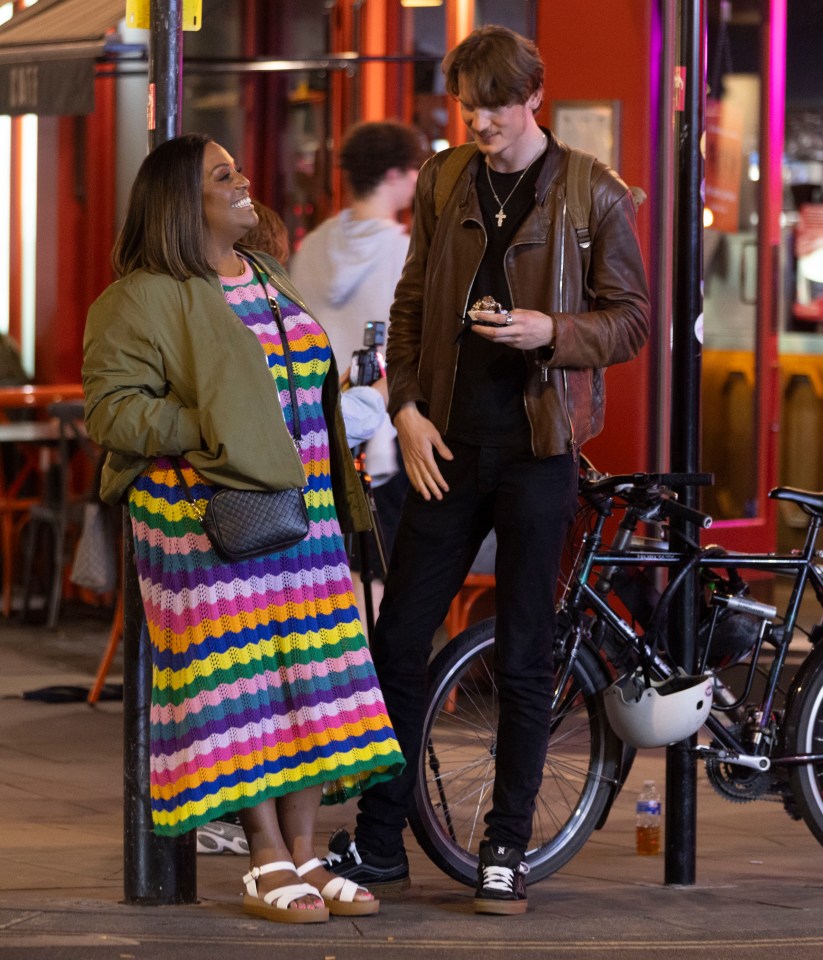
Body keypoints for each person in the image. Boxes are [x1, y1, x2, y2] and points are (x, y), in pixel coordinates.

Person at [323, 25, 650, 915]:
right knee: (395, 641)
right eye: (468, 107)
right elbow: (410, 299)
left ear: (532, 97)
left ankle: (504, 846)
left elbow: (633, 319)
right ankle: (380, 839)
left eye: (496, 106)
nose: (481, 122)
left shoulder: (592, 191)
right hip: (445, 449)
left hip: (539, 450)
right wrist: (405, 409)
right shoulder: (441, 180)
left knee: (523, 654)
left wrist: (555, 332)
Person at [82, 134, 405, 923]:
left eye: (237, 170)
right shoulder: (140, 296)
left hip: (305, 514)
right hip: (202, 520)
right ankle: (263, 859)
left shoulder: (265, 275)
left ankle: (305, 852)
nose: (244, 181)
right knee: (242, 688)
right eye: (222, 175)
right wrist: (209, 428)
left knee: (315, 686)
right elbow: (111, 411)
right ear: (178, 203)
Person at [290, 121, 423, 567]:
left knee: (320, 573)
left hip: (310, 429)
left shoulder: (312, 247)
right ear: (393, 175)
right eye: (414, 170)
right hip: (380, 431)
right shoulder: (405, 253)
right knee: (379, 572)